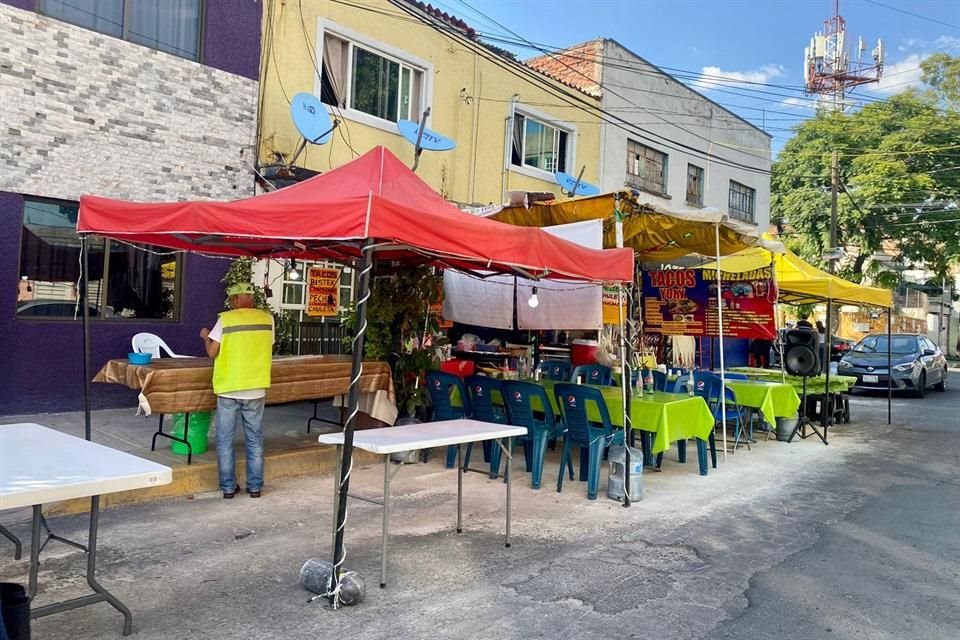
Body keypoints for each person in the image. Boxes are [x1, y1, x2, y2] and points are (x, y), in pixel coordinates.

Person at [200, 282, 274, 499]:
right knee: (255, 438)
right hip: (256, 388)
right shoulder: (267, 319)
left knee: (225, 439)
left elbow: (212, 352)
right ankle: (255, 487)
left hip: (229, 388)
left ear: (234, 300)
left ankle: (228, 488)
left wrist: (206, 336)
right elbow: (266, 346)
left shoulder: (226, 319)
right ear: (251, 298)